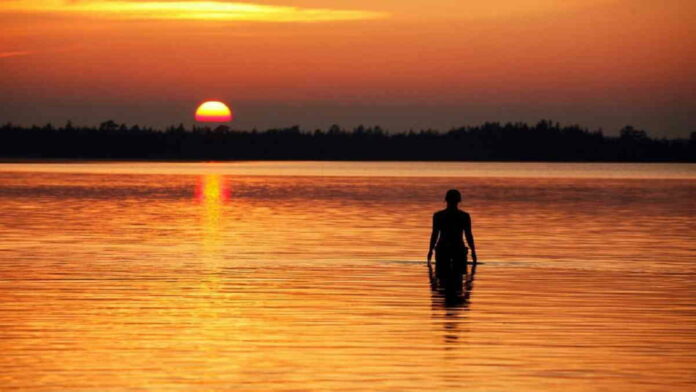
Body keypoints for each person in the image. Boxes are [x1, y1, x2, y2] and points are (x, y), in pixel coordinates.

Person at [427, 189, 477, 283]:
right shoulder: (464, 216)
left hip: (448, 249)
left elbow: (435, 234)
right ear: (459, 201)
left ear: (446, 200)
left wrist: (430, 250)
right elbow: (468, 235)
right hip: (454, 249)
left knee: (443, 277)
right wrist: (473, 251)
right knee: (457, 277)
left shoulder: (439, 216)